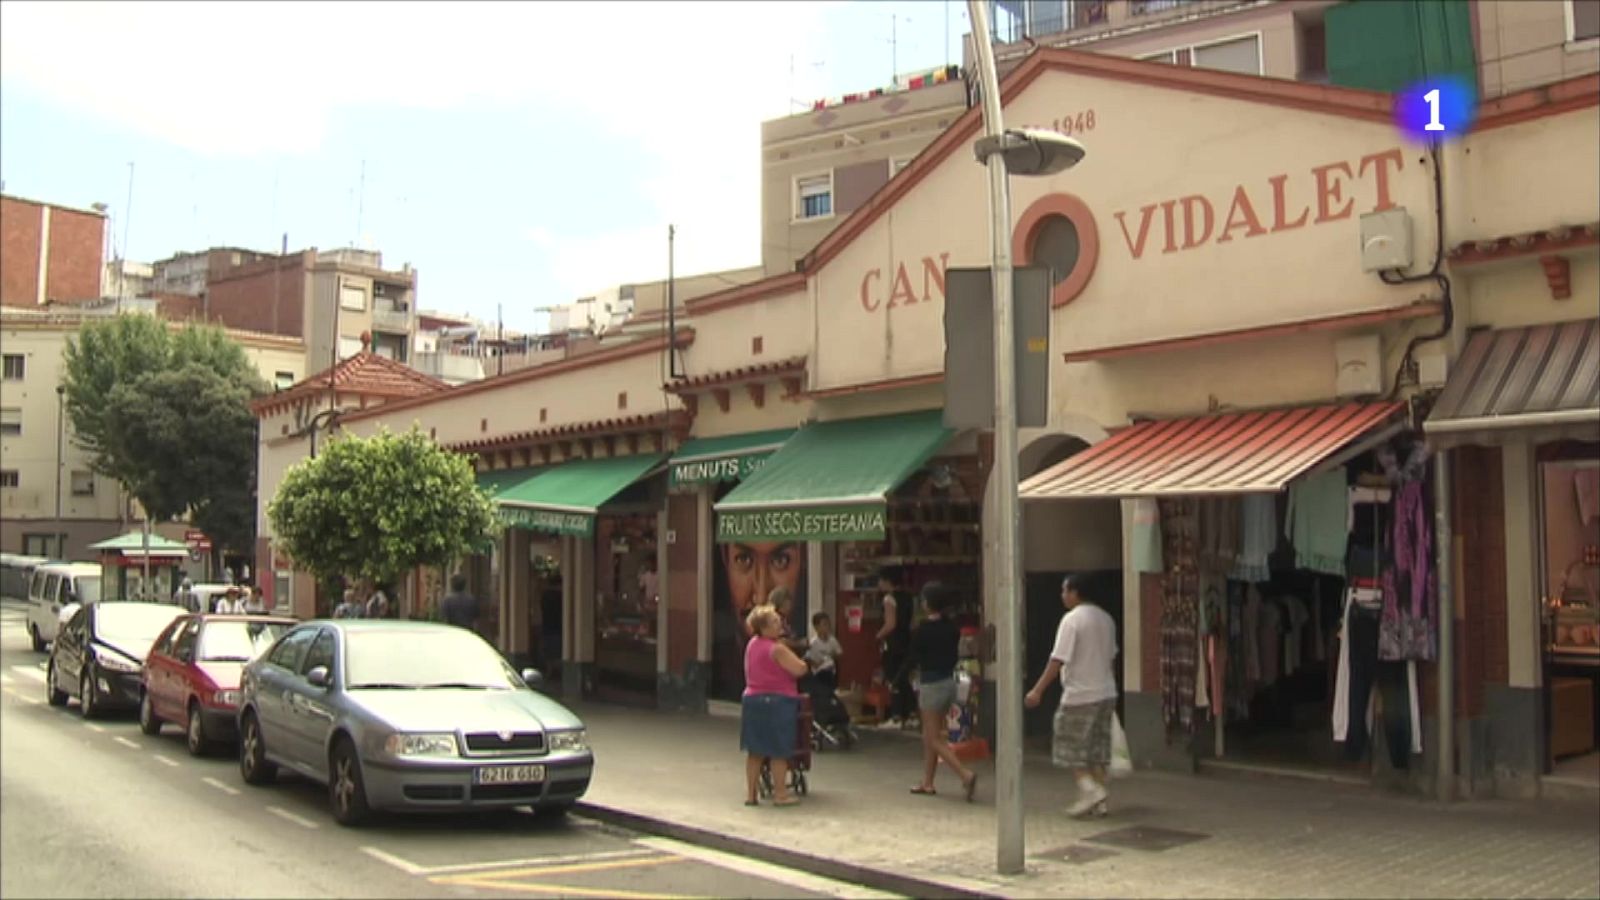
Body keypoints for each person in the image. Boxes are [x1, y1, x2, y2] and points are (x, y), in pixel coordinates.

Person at [1026, 574, 1119, 818]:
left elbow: (1058, 658)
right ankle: (1100, 802)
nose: (1062, 595)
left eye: (1065, 591)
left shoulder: (1072, 620)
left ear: (1075, 593)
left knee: (1070, 746)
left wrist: (1038, 689)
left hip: (1080, 694)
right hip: (1106, 691)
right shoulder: (1106, 619)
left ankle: (1091, 791)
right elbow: (1112, 657)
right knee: (1097, 748)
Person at [907, 584, 978, 801]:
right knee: (932, 735)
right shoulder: (952, 628)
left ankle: (965, 774)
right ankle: (927, 782)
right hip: (949, 683)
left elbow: (914, 656)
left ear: (927, 603)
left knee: (933, 737)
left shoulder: (922, 630)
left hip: (930, 684)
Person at [740, 604, 809, 807]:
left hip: (752, 700)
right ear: (764, 627)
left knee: (755, 750)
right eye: (775, 622)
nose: (780, 624)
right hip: (777, 702)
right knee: (779, 749)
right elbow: (799, 669)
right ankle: (780, 794)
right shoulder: (776, 648)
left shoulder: (752, 644)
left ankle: (751, 795)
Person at [874, 567, 914, 727]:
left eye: (881, 580)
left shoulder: (889, 599)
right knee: (904, 677)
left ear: (887, 581)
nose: (879, 584)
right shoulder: (908, 597)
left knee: (893, 678)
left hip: (893, 643)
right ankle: (911, 714)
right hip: (906, 641)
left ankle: (896, 715)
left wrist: (877, 636)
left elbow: (890, 624)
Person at [804, 612, 843, 692]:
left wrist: (833, 655)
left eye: (828, 624)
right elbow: (807, 658)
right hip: (818, 674)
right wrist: (815, 663)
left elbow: (839, 653)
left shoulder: (832, 640)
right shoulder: (813, 642)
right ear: (816, 627)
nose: (827, 627)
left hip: (831, 672)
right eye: (824, 624)